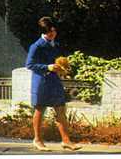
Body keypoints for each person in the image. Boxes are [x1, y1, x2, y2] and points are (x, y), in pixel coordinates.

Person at [25, 16, 81, 151]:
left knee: (60, 109)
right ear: (43, 32)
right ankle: (37, 140)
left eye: (54, 31)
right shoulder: (36, 46)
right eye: (49, 32)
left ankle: (66, 140)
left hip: (54, 81)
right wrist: (47, 67)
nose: (52, 34)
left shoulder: (56, 45)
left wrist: (63, 68)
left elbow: (58, 62)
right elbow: (29, 65)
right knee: (40, 110)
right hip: (41, 81)